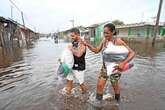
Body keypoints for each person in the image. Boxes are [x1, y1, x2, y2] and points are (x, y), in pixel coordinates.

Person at [83, 23, 135, 104]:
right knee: (99, 85)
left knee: (115, 86)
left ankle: (118, 102)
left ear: (113, 32)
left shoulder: (118, 41)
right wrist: (87, 44)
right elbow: (96, 50)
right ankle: (97, 104)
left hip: (115, 68)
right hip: (105, 67)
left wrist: (123, 63)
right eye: (104, 33)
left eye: (107, 33)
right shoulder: (104, 40)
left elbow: (132, 53)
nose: (105, 35)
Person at [65, 28, 87, 95]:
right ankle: (67, 99)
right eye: (71, 36)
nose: (71, 37)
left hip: (79, 67)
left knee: (81, 84)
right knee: (69, 81)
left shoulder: (82, 43)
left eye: (73, 36)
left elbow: (79, 54)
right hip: (71, 66)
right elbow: (70, 54)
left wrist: (71, 48)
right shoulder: (73, 42)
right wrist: (63, 59)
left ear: (77, 34)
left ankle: (85, 97)